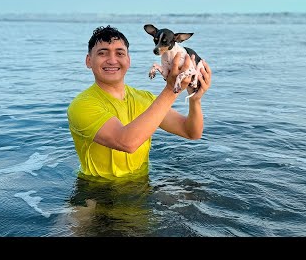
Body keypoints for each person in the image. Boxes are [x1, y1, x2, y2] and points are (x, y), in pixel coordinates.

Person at [67, 25, 212, 181]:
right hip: (98, 193)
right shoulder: (81, 105)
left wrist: (195, 100)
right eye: (102, 53)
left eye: (120, 53)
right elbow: (127, 143)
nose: (112, 60)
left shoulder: (145, 99)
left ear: (128, 60)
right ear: (88, 61)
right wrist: (172, 89)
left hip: (142, 187)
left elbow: (192, 133)